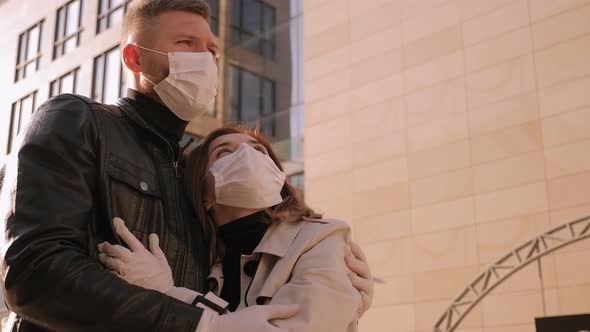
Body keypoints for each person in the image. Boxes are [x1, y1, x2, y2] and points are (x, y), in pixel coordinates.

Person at [0, 0, 373, 331]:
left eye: (212, 49)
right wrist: (198, 324)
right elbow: (32, 273)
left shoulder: (186, 171)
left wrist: (335, 293)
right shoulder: (79, 120)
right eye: (186, 44)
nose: (205, 59)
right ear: (135, 58)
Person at [98, 126, 364, 331]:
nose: (248, 156)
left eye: (259, 150)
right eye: (224, 152)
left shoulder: (323, 236)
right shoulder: (203, 265)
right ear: (202, 193)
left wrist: (170, 295)